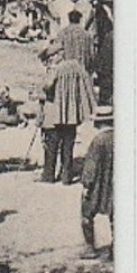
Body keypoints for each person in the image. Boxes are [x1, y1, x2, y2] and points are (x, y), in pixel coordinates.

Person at [42, 54, 95, 184]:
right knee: (68, 146)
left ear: (55, 56)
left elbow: (48, 86)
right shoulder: (77, 66)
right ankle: (67, 176)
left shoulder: (56, 69)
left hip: (54, 112)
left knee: (51, 146)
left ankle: (49, 176)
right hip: (72, 113)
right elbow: (87, 82)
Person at [80, 105, 115, 257]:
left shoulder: (98, 140)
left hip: (99, 185)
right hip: (115, 185)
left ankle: (89, 247)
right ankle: (116, 248)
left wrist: (87, 185)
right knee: (115, 215)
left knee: (87, 212)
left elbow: (91, 166)